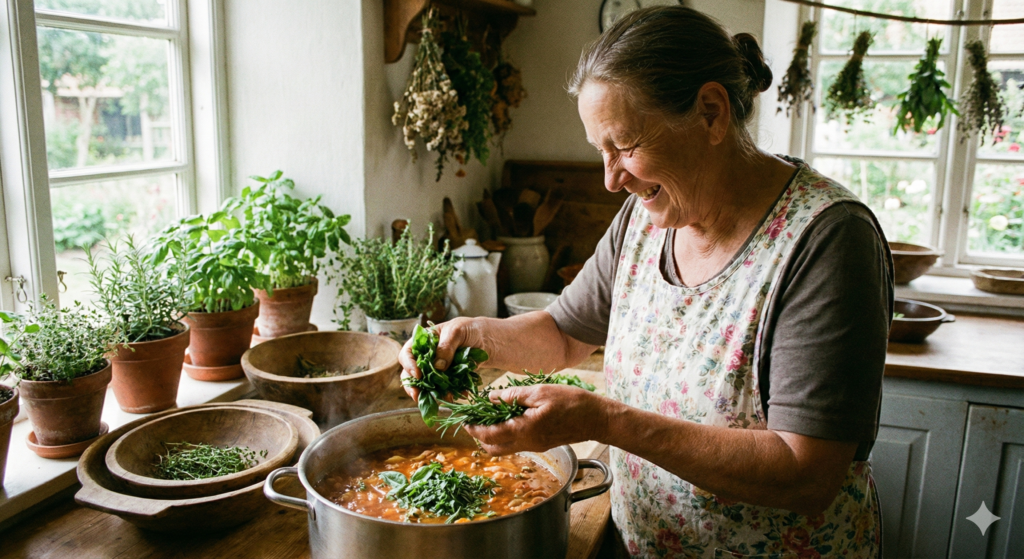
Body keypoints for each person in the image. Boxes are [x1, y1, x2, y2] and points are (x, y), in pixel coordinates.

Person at [401, 6, 891, 558]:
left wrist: (604, 419)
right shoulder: (644, 218)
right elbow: (564, 333)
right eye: (600, 152)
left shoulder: (827, 240)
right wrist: (470, 334)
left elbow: (806, 472)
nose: (611, 180)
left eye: (626, 146)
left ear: (710, 113)